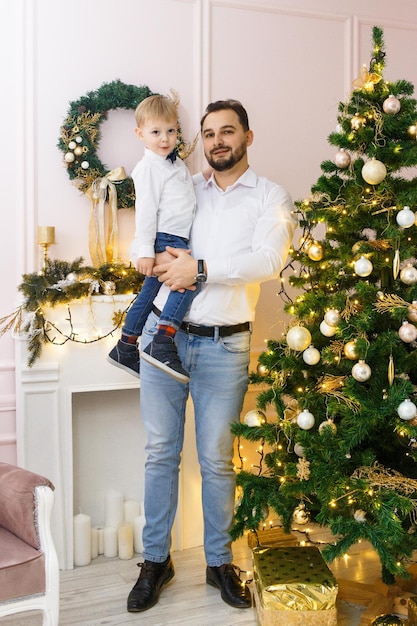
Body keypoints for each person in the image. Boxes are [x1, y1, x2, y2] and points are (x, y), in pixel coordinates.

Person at [127, 99, 296, 613]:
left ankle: (219, 562)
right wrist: (149, 258)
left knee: (218, 460)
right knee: (160, 454)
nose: (217, 140)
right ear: (197, 140)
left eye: (228, 131)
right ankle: (156, 560)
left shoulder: (271, 196)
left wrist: (200, 269)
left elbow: (267, 260)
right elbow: (152, 225)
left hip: (226, 344)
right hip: (165, 336)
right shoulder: (183, 183)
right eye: (208, 133)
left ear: (248, 135)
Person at [108, 94, 197, 383]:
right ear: (140, 134)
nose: (165, 138)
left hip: (175, 235)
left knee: (148, 294)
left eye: (171, 131)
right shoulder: (147, 168)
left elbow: (183, 193)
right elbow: (145, 211)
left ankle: (125, 345)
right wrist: (145, 249)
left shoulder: (174, 164)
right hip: (166, 238)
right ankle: (162, 341)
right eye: (156, 132)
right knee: (187, 283)